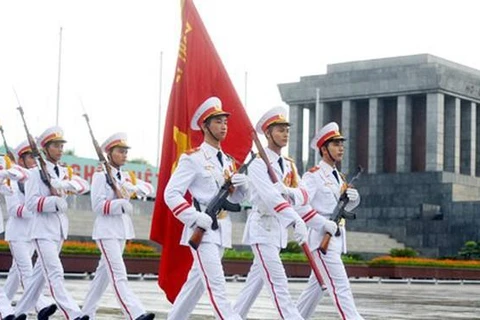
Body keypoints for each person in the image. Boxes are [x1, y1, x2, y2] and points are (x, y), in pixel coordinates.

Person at [164, 96, 248, 320]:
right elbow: (170, 193)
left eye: (225, 121)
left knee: (195, 287)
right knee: (217, 287)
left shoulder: (228, 161)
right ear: (205, 126)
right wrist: (193, 218)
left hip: (221, 228)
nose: (224, 126)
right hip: (202, 230)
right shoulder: (193, 159)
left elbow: (236, 200)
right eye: (218, 121)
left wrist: (243, 188)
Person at [233, 106, 308, 320]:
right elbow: (271, 198)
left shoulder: (289, 165)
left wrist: (289, 191)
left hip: (277, 232)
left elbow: (304, 194)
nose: (285, 134)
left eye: (287, 130)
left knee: (251, 289)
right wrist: (294, 219)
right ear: (267, 134)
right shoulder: (258, 164)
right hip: (263, 228)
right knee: (279, 285)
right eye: (279, 130)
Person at [14, 126, 90, 320]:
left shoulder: (63, 172)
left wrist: (64, 185)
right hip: (42, 230)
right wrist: (53, 202)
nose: (60, 149)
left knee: (38, 277)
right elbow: (31, 203)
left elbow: (84, 185)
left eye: (61, 146)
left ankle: (19, 313)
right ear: (46, 149)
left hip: (59, 230)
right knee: (55, 272)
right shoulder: (35, 173)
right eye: (56, 146)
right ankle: (73, 314)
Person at [81, 132, 155, 320]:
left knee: (102, 277)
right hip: (106, 231)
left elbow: (149, 188)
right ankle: (135, 313)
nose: (124, 155)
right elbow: (97, 206)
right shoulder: (100, 176)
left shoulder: (125, 176)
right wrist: (118, 204)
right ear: (110, 153)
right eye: (120, 151)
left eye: (125, 152)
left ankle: (85, 314)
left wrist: (132, 189)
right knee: (118, 274)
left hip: (121, 230)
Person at [295, 122, 363, 320]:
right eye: (335, 144)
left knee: (314, 290)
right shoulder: (313, 176)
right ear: (324, 149)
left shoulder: (338, 177)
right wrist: (322, 224)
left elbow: (342, 209)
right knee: (340, 287)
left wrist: (353, 199)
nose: (341, 147)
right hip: (321, 239)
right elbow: (300, 205)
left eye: (341, 143)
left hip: (335, 238)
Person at [3, 141, 57, 319]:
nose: (34, 161)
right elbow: (14, 209)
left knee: (16, 273)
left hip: (32, 232)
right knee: (26, 270)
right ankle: (41, 306)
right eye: (30, 157)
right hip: (18, 233)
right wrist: (36, 208)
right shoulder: (12, 178)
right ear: (21, 160)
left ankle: (5, 310)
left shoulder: (36, 179)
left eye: (36, 157)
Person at [0, 156, 27, 320]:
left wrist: (8, 172)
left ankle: (5, 311)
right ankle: (6, 311)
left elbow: (24, 175)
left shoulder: (4, 162)